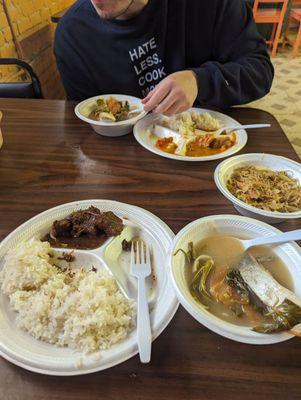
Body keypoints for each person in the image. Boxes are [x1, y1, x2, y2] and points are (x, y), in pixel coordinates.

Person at [54, 0, 274, 115]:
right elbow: (85, 125)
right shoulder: (73, 34)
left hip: (213, 149)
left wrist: (201, 81)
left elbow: (260, 71)